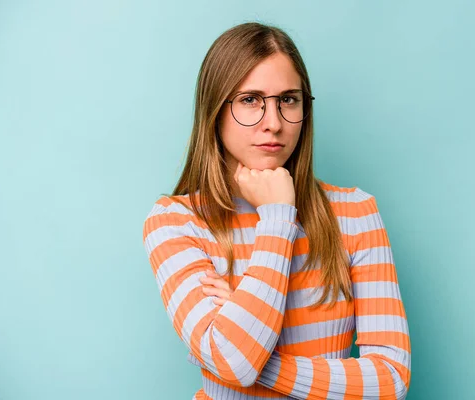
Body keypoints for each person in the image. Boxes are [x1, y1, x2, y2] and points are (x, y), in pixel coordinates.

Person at [142, 21, 411, 399]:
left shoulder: (355, 212)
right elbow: (235, 362)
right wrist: (279, 219)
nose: (274, 123)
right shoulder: (176, 222)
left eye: (288, 100)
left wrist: (250, 358)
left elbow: (389, 380)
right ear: (215, 109)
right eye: (250, 100)